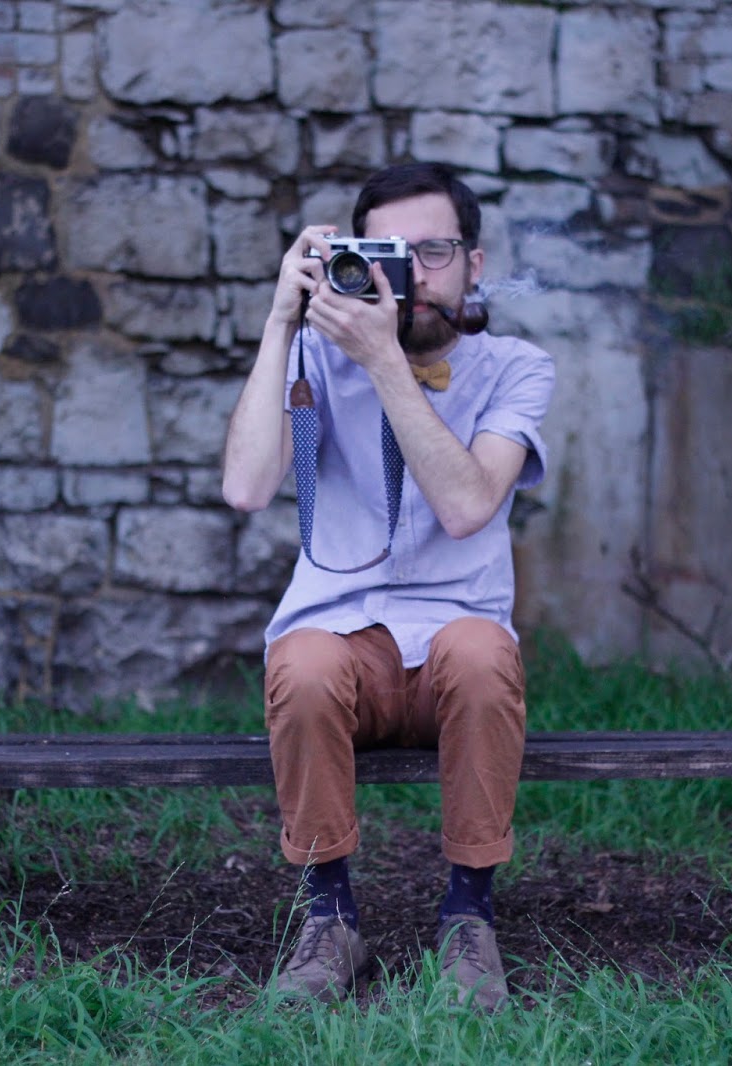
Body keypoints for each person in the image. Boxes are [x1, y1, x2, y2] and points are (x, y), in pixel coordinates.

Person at [221, 163, 556, 1010]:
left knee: (482, 654)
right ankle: (329, 920)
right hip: (343, 648)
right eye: (388, 255)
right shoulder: (313, 358)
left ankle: (469, 920)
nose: (411, 276)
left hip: (456, 650)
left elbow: (468, 505)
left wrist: (384, 363)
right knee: (300, 662)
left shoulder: (517, 368)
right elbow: (247, 488)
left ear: (474, 264)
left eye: (432, 252)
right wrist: (280, 323)